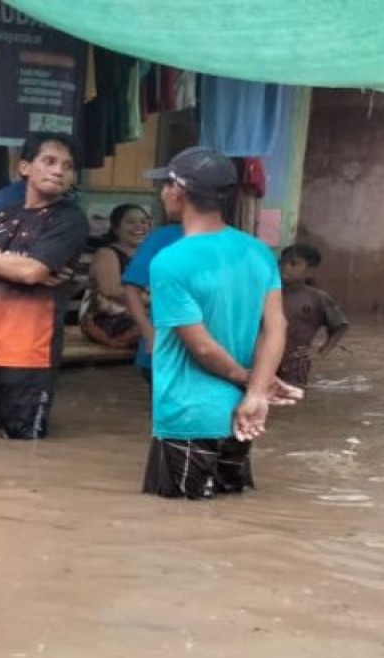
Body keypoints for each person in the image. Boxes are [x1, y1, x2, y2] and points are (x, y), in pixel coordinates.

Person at [141, 147, 296, 500]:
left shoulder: (170, 261)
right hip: (240, 415)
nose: (163, 192)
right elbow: (276, 327)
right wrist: (257, 391)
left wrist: (252, 382)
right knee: (226, 516)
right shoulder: (258, 251)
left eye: (165, 184)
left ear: (178, 191)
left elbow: (201, 348)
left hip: (186, 416)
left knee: (177, 525)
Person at [0, 133, 89, 440]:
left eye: (68, 167)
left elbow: (31, 272)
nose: (59, 171)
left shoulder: (69, 220)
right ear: (25, 167)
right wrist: (7, 264)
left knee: (24, 441)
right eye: (50, 161)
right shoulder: (0, 214)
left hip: (31, 352)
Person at [121, 216, 186, 384]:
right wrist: (149, 334)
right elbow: (131, 287)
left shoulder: (238, 243)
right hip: (165, 348)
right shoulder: (164, 237)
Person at [79, 204, 150, 348]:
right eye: (130, 222)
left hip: (142, 311)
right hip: (107, 317)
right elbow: (110, 290)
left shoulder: (150, 254)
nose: (139, 227)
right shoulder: (107, 253)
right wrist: (152, 300)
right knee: (157, 330)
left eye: (143, 222)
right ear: (116, 228)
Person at [277, 244, 349, 387]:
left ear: (309, 270)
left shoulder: (317, 298)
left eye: (293, 264)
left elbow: (341, 325)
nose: (285, 267)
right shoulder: (269, 293)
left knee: (292, 398)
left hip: (294, 364)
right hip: (262, 358)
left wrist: (321, 352)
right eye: (282, 262)